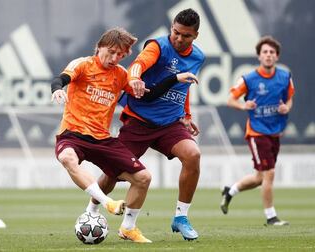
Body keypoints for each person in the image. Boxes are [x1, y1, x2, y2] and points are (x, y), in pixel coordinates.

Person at [51, 27, 197, 243]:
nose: (114, 58)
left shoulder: (121, 75)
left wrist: (175, 78)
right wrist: (57, 89)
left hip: (103, 139)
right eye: (110, 52)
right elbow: (60, 79)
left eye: (120, 55)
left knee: (143, 178)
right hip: (72, 134)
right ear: (99, 47)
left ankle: (128, 227)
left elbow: (149, 95)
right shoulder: (82, 64)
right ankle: (106, 203)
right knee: (66, 158)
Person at [86, 8, 205, 241]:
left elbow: (185, 85)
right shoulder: (158, 46)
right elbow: (138, 65)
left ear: (196, 36)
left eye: (186, 36)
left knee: (193, 155)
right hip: (139, 122)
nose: (179, 38)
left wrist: (187, 115)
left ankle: (180, 217)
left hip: (170, 124)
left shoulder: (198, 57)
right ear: (172, 27)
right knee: (112, 175)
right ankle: (90, 211)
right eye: (176, 32)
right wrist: (133, 78)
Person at [220, 36, 295, 226]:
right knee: (269, 173)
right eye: (265, 52)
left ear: (277, 56)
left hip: (275, 132)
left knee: (259, 178)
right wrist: (244, 105)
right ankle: (271, 217)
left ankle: (231, 191)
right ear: (258, 56)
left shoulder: (285, 77)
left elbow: (289, 99)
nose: (268, 55)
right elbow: (230, 100)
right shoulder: (249, 79)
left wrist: (287, 107)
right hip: (257, 132)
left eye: (272, 52)